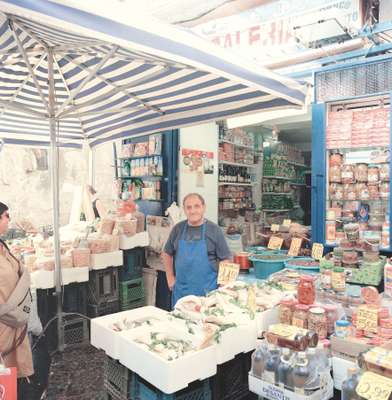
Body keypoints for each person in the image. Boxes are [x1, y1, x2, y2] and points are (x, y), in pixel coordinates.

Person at [162, 193, 231, 307]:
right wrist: (170, 277)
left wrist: (223, 285)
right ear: (184, 210)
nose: (193, 211)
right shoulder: (178, 229)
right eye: (188, 207)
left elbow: (226, 259)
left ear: (203, 207)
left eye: (196, 206)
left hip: (207, 294)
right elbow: (166, 253)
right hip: (181, 293)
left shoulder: (214, 230)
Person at [0, 202, 34, 397]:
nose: (9, 219)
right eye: (5, 215)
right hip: (3, 324)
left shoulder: (2, 245)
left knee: (11, 374)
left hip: (13, 321)